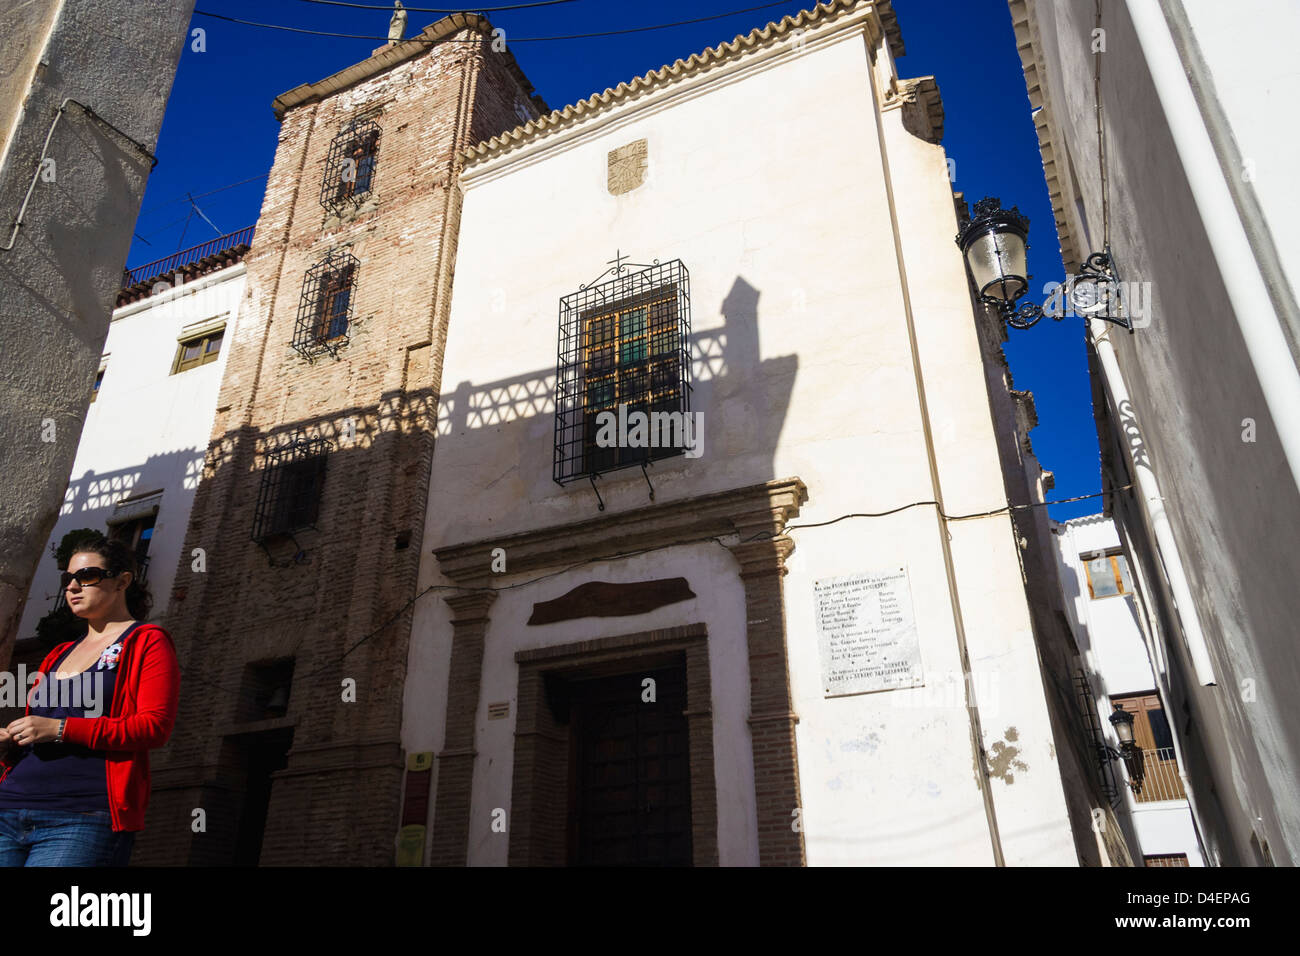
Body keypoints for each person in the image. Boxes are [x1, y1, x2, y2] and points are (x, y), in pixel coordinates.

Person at [0, 534, 180, 866]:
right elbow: (40, 729)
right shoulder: (58, 653)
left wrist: (59, 729)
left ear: (122, 581)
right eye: (68, 578)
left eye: (87, 576)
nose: (72, 586)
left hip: (82, 817)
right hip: (8, 808)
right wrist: (13, 739)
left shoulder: (146, 641)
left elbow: (153, 728)